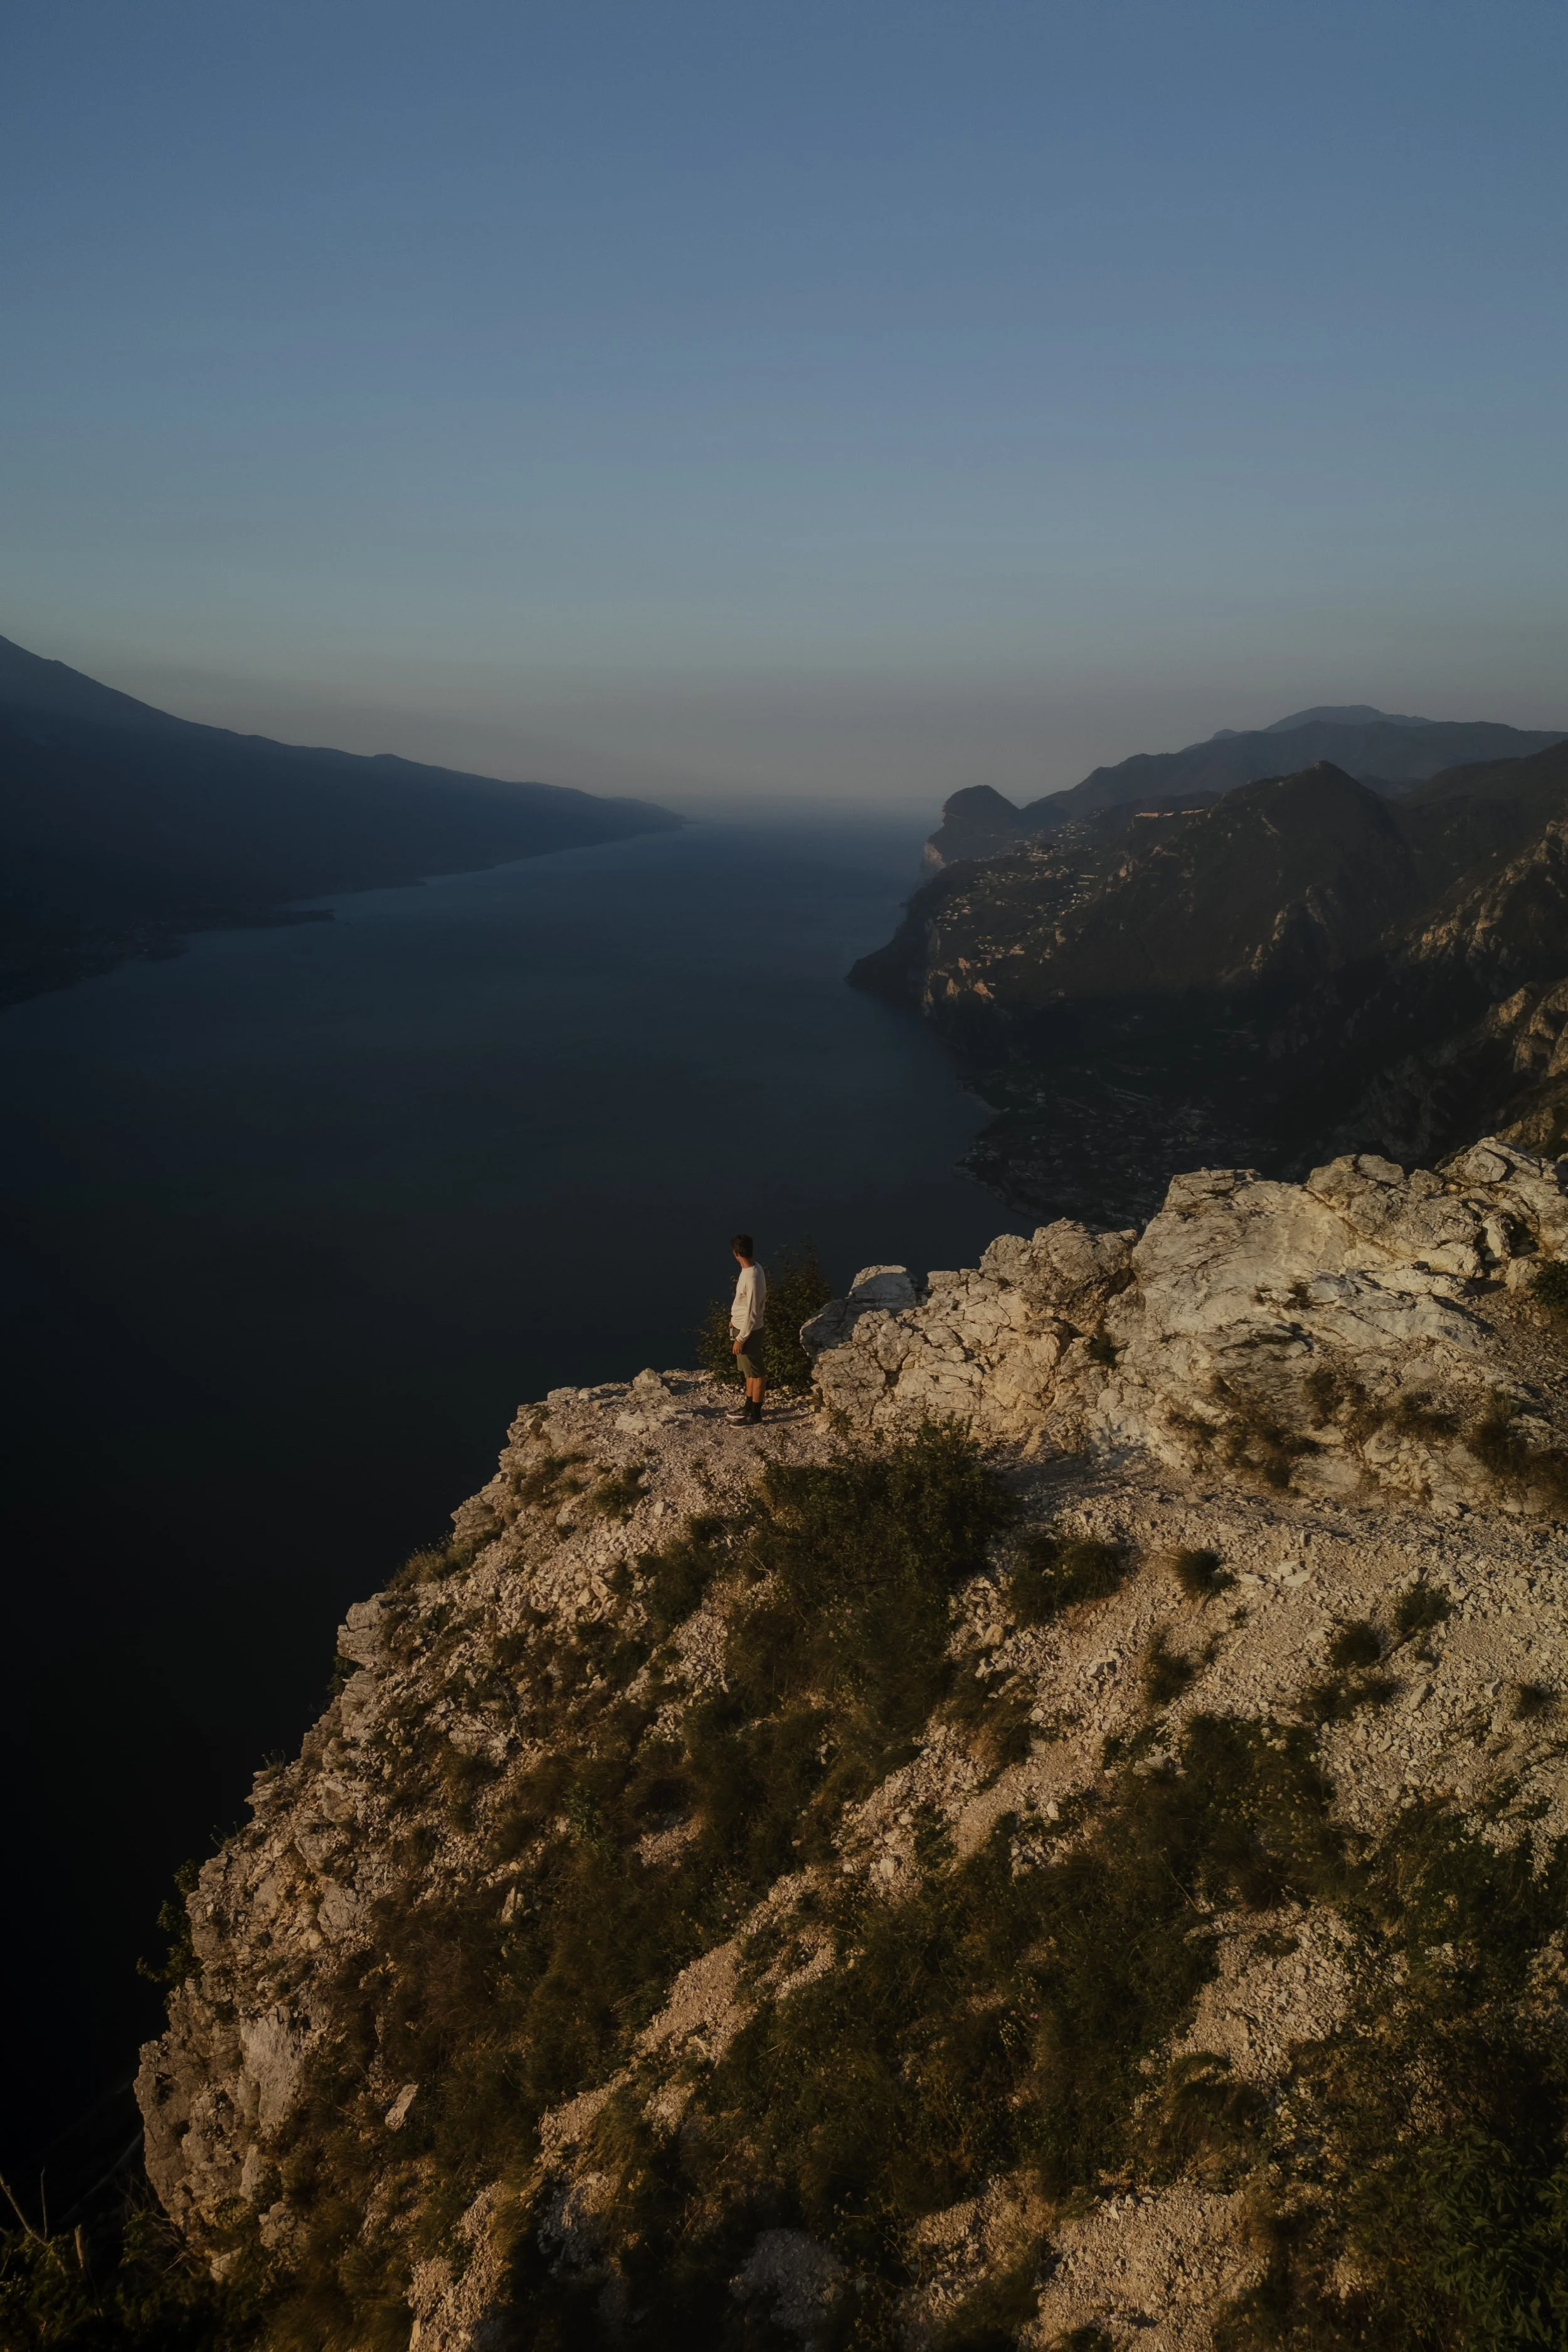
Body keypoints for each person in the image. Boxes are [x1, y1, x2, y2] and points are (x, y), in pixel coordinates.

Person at [726, 1233, 767, 1425]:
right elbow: (744, 1305)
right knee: (749, 1371)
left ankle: (756, 1416)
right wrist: (734, 1319)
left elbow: (752, 1313)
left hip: (748, 1332)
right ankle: (748, 1407)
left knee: (757, 1374)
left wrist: (740, 1338)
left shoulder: (751, 1278)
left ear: (736, 1254)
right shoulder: (755, 1268)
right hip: (742, 1326)